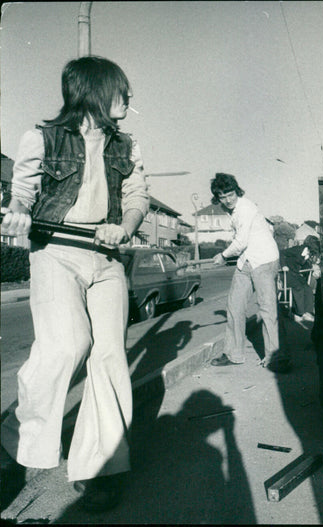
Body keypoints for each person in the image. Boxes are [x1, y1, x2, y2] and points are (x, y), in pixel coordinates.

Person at [0, 56, 149, 512]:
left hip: (107, 259)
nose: (128, 98)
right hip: (55, 253)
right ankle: (12, 444)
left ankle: (98, 467)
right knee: (67, 346)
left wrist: (125, 226)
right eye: (121, 90)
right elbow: (22, 193)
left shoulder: (127, 145)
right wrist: (18, 212)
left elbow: (137, 196)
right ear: (94, 91)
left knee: (109, 357)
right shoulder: (42, 137)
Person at [208, 173, 290, 374]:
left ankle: (277, 357)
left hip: (264, 260)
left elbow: (241, 241)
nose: (228, 200)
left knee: (268, 309)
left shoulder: (246, 208)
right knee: (234, 306)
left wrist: (223, 255)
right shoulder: (232, 210)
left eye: (230, 194)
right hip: (246, 261)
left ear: (237, 191)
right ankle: (233, 354)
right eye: (222, 197)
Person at [280, 235, 322, 322]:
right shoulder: (298, 249)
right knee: (298, 288)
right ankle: (300, 313)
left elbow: (303, 264)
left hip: (295, 274)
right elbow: (282, 253)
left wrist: (312, 268)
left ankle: (308, 312)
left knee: (308, 289)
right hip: (286, 274)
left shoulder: (307, 253)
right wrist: (283, 265)